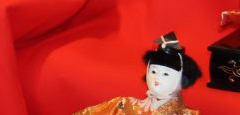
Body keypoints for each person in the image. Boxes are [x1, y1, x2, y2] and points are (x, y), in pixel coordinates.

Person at [73, 33, 202, 115]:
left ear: (182, 80)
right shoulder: (123, 105)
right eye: (153, 71)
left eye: (166, 74)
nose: (156, 77)